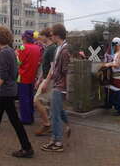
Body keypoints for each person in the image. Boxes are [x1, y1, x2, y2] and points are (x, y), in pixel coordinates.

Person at [0, 26, 34, 158]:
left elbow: (2, 77)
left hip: (6, 91)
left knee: (12, 121)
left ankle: (27, 147)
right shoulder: (10, 50)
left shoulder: (4, 53)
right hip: (10, 89)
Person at [38, 24, 73, 152]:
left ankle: (57, 142)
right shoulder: (60, 48)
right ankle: (64, 130)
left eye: (52, 34)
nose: (50, 36)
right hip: (58, 85)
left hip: (59, 86)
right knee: (57, 111)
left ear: (57, 35)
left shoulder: (64, 51)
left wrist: (64, 89)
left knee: (55, 114)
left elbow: (65, 71)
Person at [32, 28, 56, 136]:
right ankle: (51, 124)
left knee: (37, 100)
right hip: (46, 78)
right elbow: (45, 66)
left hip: (49, 80)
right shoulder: (48, 48)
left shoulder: (52, 49)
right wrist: (40, 79)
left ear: (46, 36)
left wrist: (45, 81)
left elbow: (52, 67)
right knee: (47, 103)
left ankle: (47, 124)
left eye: (41, 35)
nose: (40, 37)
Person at [17, 30, 42, 124]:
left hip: (23, 76)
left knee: (23, 99)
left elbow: (19, 62)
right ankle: (31, 117)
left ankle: (25, 119)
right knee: (30, 98)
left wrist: (17, 54)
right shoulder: (37, 48)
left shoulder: (23, 47)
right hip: (32, 77)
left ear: (25, 38)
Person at [101, 37, 120, 116]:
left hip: (119, 74)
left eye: (113, 45)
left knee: (118, 91)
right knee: (110, 89)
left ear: (117, 44)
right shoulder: (117, 52)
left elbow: (117, 64)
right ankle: (109, 104)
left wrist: (107, 64)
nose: (113, 46)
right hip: (114, 74)